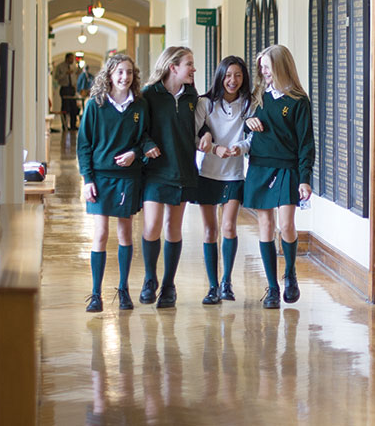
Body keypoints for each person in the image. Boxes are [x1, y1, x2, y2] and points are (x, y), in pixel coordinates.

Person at [77, 53, 160, 313]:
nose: (125, 77)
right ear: (110, 75)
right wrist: (87, 179)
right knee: (100, 234)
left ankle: (123, 290)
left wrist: (136, 153)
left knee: (125, 233)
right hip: (101, 177)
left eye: (130, 72)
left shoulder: (140, 106)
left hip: (128, 178)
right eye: (120, 72)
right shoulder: (95, 105)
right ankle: (95, 294)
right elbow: (84, 145)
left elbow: (143, 137)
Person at [243, 45, 314, 309]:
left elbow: (306, 143)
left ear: (280, 67)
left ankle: (290, 273)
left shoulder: (298, 101)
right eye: (261, 67)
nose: (262, 72)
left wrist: (305, 177)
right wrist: (246, 122)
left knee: (286, 225)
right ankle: (272, 287)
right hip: (260, 166)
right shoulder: (258, 96)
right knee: (265, 226)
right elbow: (244, 123)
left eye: (266, 67)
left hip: (288, 167)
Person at [140, 46, 210, 309]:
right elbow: (139, 128)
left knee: (173, 228)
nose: (193, 69)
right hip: (156, 169)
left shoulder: (192, 95)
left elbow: (199, 123)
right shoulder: (149, 95)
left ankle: (169, 286)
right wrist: (147, 144)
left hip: (183, 168)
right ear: (173, 67)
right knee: (151, 226)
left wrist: (206, 134)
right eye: (189, 64)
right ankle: (150, 279)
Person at [192, 56, 252, 305]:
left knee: (228, 227)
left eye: (237, 75)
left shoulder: (248, 104)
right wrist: (213, 147)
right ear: (220, 76)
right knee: (210, 230)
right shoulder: (205, 104)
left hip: (234, 174)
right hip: (208, 173)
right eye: (228, 75)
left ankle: (227, 281)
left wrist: (240, 147)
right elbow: (194, 137)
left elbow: (252, 138)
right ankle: (212, 286)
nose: (232, 80)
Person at [55, 52, 80, 130]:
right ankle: (65, 125)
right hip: (65, 88)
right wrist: (66, 74)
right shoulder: (60, 67)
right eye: (71, 58)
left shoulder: (73, 66)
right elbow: (56, 77)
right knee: (66, 107)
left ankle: (73, 125)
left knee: (74, 107)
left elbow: (76, 75)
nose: (72, 60)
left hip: (72, 88)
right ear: (67, 58)